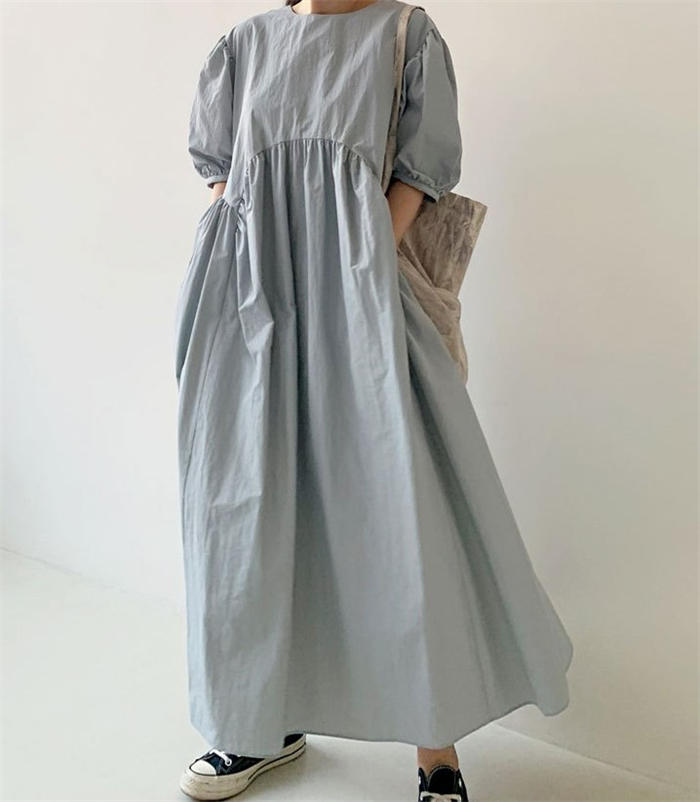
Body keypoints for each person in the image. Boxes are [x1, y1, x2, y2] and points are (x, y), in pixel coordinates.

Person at [174, 0, 574, 800]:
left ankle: (437, 754)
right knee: (247, 515)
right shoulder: (243, 46)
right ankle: (259, 724)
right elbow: (220, 168)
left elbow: (422, 172)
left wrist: (358, 259)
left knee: (400, 519)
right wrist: (255, 249)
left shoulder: (404, 35)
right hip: (251, 306)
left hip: (363, 302)